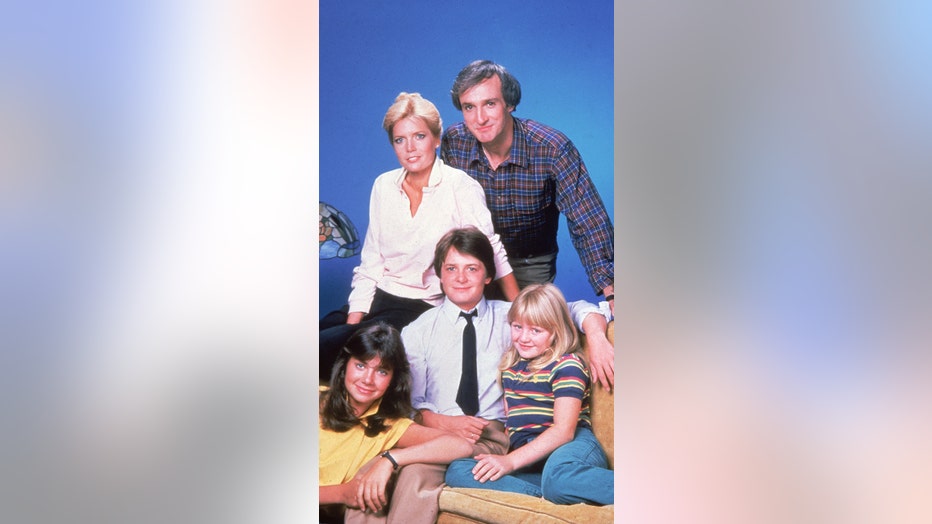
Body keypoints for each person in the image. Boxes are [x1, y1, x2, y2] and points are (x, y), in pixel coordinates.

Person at [385, 227, 612, 522]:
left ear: (488, 275)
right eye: (451, 268)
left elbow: (569, 309)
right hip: (447, 432)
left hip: (501, 437)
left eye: (472, 268)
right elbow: (411, 404)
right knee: (455, 471)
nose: (461, 278)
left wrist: (595, 336)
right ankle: (545, 496)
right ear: (438, 275)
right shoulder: (417, 332)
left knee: (555, 474)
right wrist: (446, 423)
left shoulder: (514, 317)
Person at [320, 92, 519, 379]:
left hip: (422, 306)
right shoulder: (383, 186)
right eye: (400, 140)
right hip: (379, 295)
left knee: (324, 349)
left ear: (437, 139)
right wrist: (354, 319)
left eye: (419, 137)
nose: (410, 148)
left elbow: (492, 250)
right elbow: (372, 262)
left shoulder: (460, 186)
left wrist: (522, 311)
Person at [440, 60, 615, 316]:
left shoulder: (552, 148)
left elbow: (587, 222)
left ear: (509, 103)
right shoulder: (455, 142)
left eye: (490, 104)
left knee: (531, 331)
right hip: (473, 261)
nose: (480, 119)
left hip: (530, 261)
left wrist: (612, 289)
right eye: (469, 107)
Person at [443, 283, 613, 505]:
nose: (523, 337)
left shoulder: (566, 365)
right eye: (517, 326)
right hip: (533, 458)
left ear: (556, 332)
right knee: (458, 470)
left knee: (559, 476)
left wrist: (510, 462)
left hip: (571, 448)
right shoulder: (511, 368)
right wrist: (504, 460)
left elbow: (564, 431)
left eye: (536, 330)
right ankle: (544, 495)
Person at [319, 322, 472, 524]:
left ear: (393, 379)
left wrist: (389, 460)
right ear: (345, 364)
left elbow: (460, 445)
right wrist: (341, 493)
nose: (368, 379)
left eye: (382, 371)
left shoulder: (391, 426)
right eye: (360, 365)